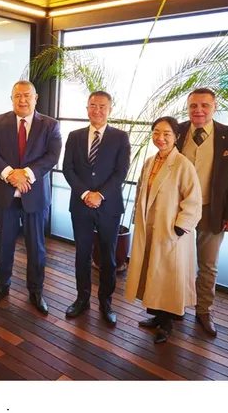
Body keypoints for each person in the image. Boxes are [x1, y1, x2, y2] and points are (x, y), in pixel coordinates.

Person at [0, 81, 62, 314]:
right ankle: (1, 286)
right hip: (5, 195)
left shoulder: (50, 125)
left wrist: (25, 174)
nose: (22, 100)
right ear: (12, 99)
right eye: (17, 96)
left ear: (35, 98)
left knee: (36, 247)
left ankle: (36, 291)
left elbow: (52, 156)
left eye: (27, 95)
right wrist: (10, 175)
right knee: (4, 244)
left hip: (35, 196)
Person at [125, 116, 202, 344]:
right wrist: (136, 217)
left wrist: (180, 225)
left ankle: (167, 322)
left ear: (176, 137)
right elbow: (141, 191)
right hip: (150, 227)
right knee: (153, 272)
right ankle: (157, 316)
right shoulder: (150, 162)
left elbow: (193, 199)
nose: (161, 138)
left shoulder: (183, 164)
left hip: (170, 230)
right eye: (156, 132)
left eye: (167, 134)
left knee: (168, 276)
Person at [176, 88, 228, 337]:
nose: (199, 110)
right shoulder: (177, 131)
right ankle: (173, 307)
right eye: (193, 105)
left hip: (212, 210)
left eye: (205, 105)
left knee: (208, 264)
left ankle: (203, 310)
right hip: (178, 209)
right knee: (175, 260)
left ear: (215, 106)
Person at [62, 91, 130, 325]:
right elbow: (68, 168)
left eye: (102, 106)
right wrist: (85, 194)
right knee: (82, 254)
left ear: (110, 110)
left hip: (109, 206)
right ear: (87, 108)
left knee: (108, 256)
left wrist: (99, 195)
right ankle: (82, 299)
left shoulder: (120, 137)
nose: (97, 110)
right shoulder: (74, 136)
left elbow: (121, 172)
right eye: (93, 106)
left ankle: (105, 302)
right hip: (80, 205)